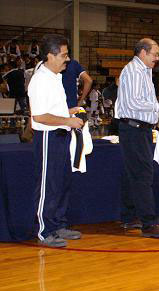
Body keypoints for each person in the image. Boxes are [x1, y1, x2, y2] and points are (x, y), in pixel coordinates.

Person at [28, 34, 84, 247]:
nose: (67, 59)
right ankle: (43, 231)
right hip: (48, 137)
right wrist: (67, 120)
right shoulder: (40, 80)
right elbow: (40, 116)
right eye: (64, 55)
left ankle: (58, 224)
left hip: (60, 136)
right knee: (47, 186)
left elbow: (51, 110)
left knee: (61, 182)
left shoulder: (54, 77)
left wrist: (69, 112)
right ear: (50, 56)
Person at [116, 38, 159, 238]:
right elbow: (132, 102)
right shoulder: (132, 71)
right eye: (154, 54)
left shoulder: (145, 71)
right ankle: (149, 224)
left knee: (133, 174)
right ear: (142, 52)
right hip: (134, 129)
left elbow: (142, 101)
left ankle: (129, 216)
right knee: (143, 175)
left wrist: (156, 110)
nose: (157, 58)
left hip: (141, 129)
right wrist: (158, 107)